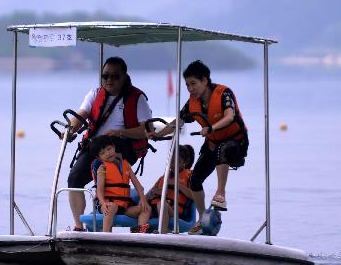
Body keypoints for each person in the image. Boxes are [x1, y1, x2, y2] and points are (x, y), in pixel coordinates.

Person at [156, 60, 249, 235]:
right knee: (194, 180)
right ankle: (202, 219)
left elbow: (230, 117)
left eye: (193, 84)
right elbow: (178, 122)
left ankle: (220, 194)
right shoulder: (192, 103)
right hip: (212, 144)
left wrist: (211, 128)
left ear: (205, 81)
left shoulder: (223, 93)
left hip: (236, 143)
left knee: (224, 149)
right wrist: (158, 135)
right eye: (187, 85)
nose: (190, 88)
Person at [64, 57, 153, 231]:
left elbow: (145, 131)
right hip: (97, 146)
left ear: (124, 77)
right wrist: (70, 130)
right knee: (74, 178)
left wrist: (120, 132)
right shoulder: (95, 94)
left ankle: (110, 214)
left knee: (111, 150)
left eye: (115, 76)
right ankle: (79, 226)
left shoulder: (137, 98)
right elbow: (80, 116)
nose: (109, 80)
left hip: (124, 147)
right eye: (105, 76)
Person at [89, 135, 152, 233]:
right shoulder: (102, 168)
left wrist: (143, 200)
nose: (107, 153)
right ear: (99, 157)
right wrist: (103, 203)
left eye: (109, 149)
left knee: (146, 209)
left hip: (124, 207)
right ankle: (106, 235)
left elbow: (138, 185)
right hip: (107, 205)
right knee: (112, 206)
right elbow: (99, 190)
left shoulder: (126, 165)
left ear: (114, 147)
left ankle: (140, 232)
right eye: (103, 153)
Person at [145, 144, 195, 231]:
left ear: (185, 162)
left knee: (162, 204)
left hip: (174, 212)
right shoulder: (163, 178)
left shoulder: (190, 176)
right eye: (171, 161)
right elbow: (146, 196)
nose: (173, 165)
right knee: (143, 208)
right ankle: (139, 234)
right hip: (156, 209)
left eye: (177, 162)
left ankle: (162, 233)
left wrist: (176, 185)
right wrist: (154, 192)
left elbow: (195, 195)